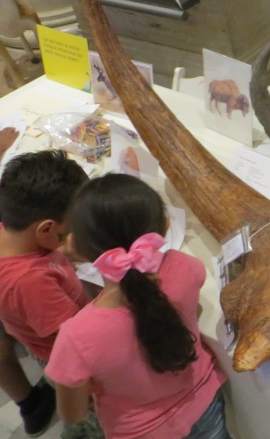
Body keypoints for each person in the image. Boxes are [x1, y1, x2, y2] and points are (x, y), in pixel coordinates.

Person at [45, 173, 230, 439]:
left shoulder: (75, 337)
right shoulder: (187, 268)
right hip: (205, 404)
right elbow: (193, 313)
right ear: (165, 226)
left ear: (76, 246)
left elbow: (72, 414)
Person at [0, 149, 89, 437]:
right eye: (72, 228)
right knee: (90, 418)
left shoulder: (11, 234)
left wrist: (61, 250)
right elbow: (75, 338)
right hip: (70, 360)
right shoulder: (30, 283)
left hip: (47, 341)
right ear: (47, 228)